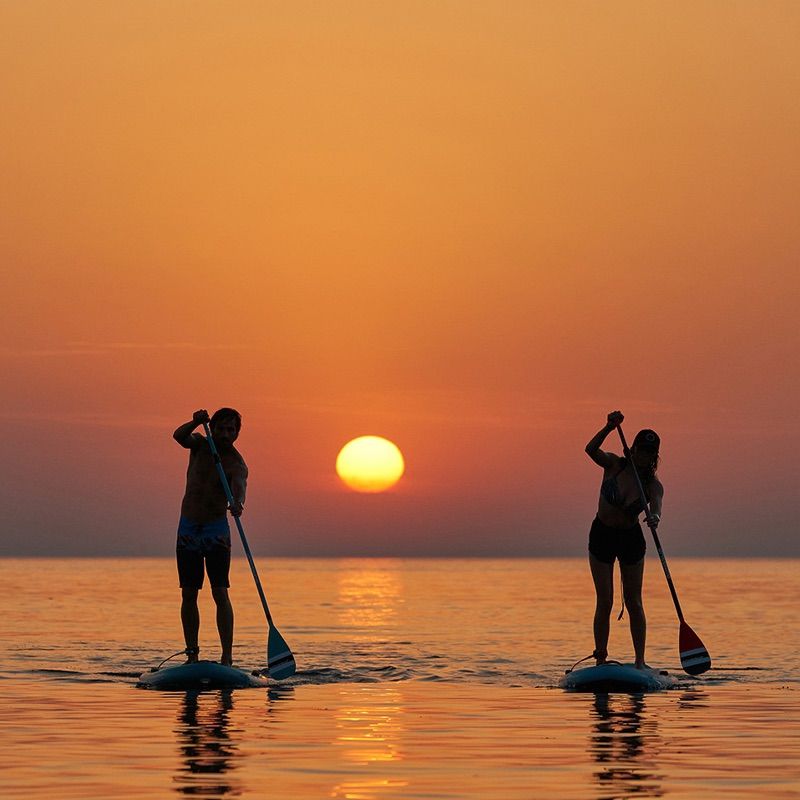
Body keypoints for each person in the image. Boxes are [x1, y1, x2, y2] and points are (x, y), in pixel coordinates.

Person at [584, 410, 663, 669]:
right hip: (602, 534)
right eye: (641, 450)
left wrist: (654, 517)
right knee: (604, 599)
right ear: (634, 449)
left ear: (654, 457)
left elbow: (657, 507)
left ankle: (640, 661)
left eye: (650, 453)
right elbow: (590, 449)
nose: (644, 456)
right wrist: (609, 426)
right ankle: (601, 659)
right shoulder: (614, 464)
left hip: (630, 538)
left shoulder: (652, 485)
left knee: (634, 601)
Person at [173, 408, 248, 665]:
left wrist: (237, 503)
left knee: (220, 592)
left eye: (231, 430)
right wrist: (195, 421)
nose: (226, 435)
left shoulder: (237, 463)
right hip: (189, 529)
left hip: (216, 531)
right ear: (213, 427)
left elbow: (239, 489)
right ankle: (192, 655)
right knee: (189, 593)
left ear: (237, 433)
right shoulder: (200, 445)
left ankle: (226, 658)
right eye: (221, 429)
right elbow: (179, 436)